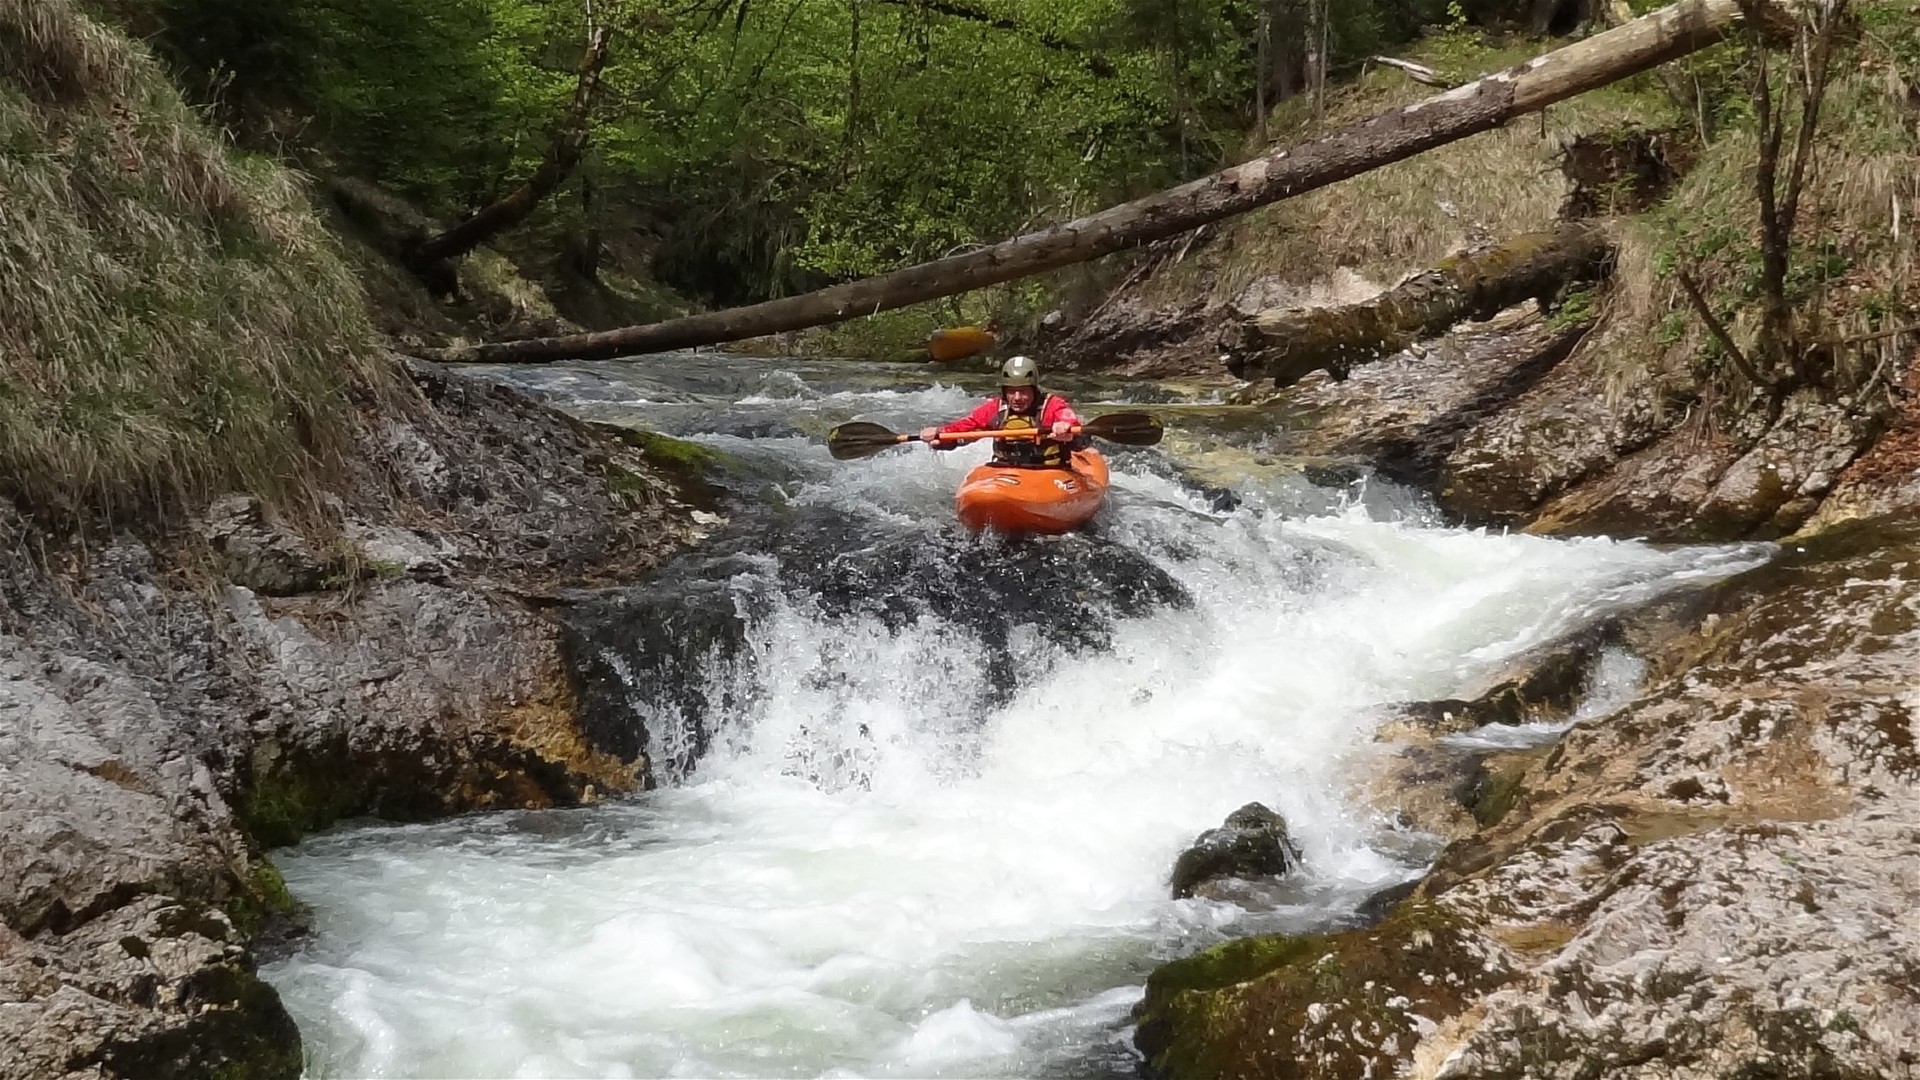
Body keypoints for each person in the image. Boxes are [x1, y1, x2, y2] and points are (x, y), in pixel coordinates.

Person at [920, 355, 1088, 467]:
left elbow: (1070, 421)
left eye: (1023, 391)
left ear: (1034, 390)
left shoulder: (1051, 405)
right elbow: (966, 427)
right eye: (1011, 391)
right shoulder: (996, 408)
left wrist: (1066, 429)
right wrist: (940, 434)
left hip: (1050, 471)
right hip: (1005, 469)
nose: (1017, 397)